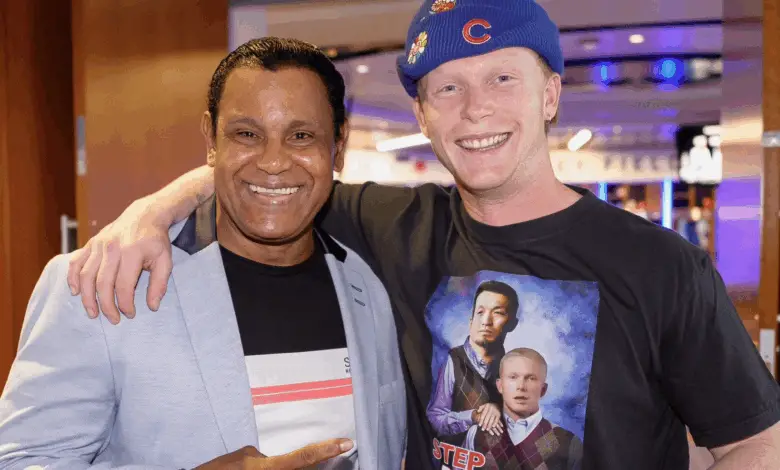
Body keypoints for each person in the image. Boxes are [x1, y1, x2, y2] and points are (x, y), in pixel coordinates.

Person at [66, 0, 780, 468]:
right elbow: (272, 173)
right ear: (424, 114)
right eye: (447, 88)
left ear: (551, 94)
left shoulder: (661, 265)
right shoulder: (392, 226)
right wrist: (150, 213)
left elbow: (755, 441)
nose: (475, 110)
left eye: (502, 79)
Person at [0, 37, 407, 470]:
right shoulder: (103, 282)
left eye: (301, 136)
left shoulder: (366, 285)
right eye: (247, 134)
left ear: (338, 147)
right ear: (211, 140)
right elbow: (23, 460)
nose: (273, 162)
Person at [426, 280, 520, 444]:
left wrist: (501, 410)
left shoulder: (516, 368)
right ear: (471, 321)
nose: (486, 321)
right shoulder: (450, 360)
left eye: (498, 313)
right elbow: (434, 420)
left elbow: (526, 423)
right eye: (480, 312)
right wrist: (474, 416)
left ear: (512, 324)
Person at [465, 348, 582, 469]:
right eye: (513, 377)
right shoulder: (476, 434)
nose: (521, 386)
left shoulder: (568, 443)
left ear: (543, 389)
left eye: (531, 378)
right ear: (500, 386)